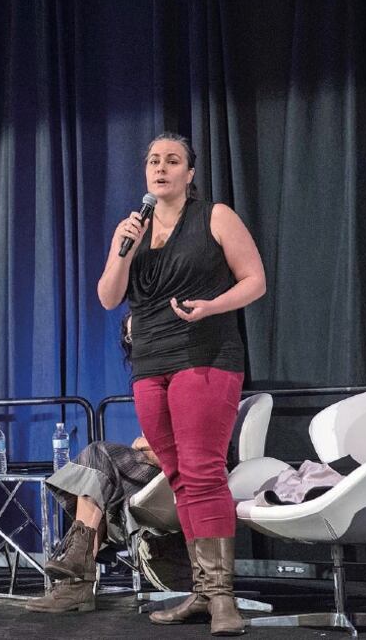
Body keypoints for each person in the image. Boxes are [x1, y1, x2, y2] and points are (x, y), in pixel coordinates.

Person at [96, 132, 266, 635]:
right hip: (150, 362)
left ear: (189, 174)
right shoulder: (131, 228)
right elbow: (109, 297)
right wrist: (124, 250)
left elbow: (254, 279)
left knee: (203, 470)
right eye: (153, 160)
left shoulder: (215, 216)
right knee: (177, 475)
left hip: (205, 354)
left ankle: (223, 599)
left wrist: (212, 306)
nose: (161, 167)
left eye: (173, 160)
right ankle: (200, 590)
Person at [25, 314, 166, 612]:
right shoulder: (146, 379)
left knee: (98, 456)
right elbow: (151, 437)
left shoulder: (177, 374)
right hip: (155, 467)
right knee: (99, 482)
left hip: (180, 468)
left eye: (140, 333)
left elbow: (168, 442)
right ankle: (77, 581)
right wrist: (145, 444)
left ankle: (76, 570)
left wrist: (143, 444)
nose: (135, 342)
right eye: (130, 337)